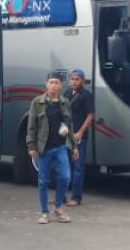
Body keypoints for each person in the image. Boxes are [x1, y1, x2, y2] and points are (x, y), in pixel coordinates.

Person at [26, 72, 78, 224]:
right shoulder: (37, 102)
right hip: (44, 148)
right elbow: (32, 126)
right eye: (51, 82)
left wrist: (74, 146)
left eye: (56, 82)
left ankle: (59, 207)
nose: (53, 85)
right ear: (46, 84)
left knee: (65, 177)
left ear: (61, 85)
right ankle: (44, 212)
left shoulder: (65, 102)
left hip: (61, 146)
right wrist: (31, 146)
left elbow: (70, 125)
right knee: (43, 181)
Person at [65, 68, 94, 207]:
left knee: (78, 167)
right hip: (66, 135)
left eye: (77, 79)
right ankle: (62, 196)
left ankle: (76, 197)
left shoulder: (86, 95)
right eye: (72, 79)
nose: (74, 82)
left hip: (79, 137)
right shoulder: (66, 93)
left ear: (82, 80)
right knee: (64, 166)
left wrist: (81, 132)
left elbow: (90, 115)